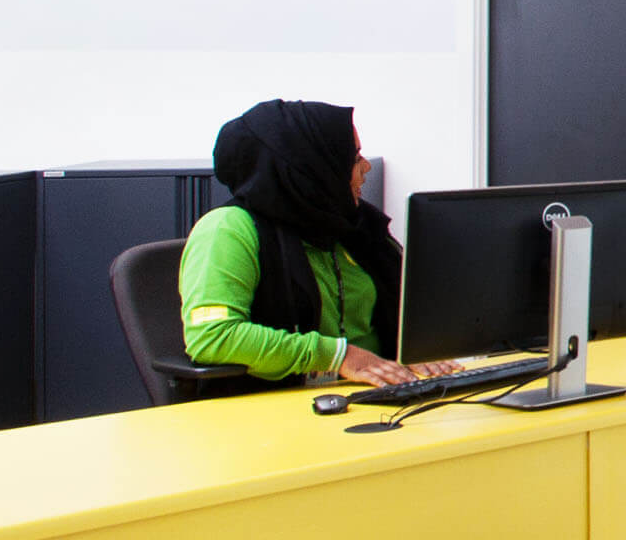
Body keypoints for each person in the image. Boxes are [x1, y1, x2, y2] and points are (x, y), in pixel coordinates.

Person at [176, 99, 451, 387]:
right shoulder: (228, 229)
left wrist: (413, 353)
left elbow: (400, 313)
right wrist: (339, 357)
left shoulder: (355, 228)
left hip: (376, 397)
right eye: (353, 157)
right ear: (313, 167)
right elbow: (213, 337)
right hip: (277, 409)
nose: (366, 167)